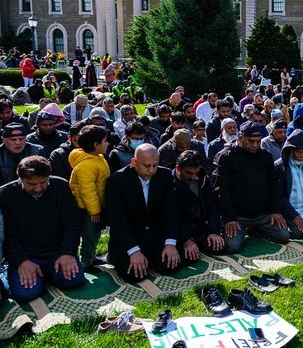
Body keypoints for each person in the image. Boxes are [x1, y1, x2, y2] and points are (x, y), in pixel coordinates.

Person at [0, 156, 85, 303]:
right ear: (20, 178)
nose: (38, 188)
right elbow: (7, 235)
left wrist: (68, 253)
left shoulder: (60, 186)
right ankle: (8, 273)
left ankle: (46, 273)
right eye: (31, 184)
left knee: (73, 280)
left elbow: (72, 223)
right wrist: (21, 261)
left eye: (43, 182)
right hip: (26, 255)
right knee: (25, 294)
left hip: (57, 252)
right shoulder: (6, 194)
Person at [105, 144, 184, 282]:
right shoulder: (117, 181)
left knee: (171, 265)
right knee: (134, 275)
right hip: (131, 237)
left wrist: (170, 243)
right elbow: (118, 221)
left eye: (155, 165)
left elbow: (172, 211)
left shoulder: (164, 175)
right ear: (134, 162)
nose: (152, 170)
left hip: (155, 234)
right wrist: (133, 251)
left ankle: (150, 257)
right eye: (147, 166)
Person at [213, 122, 292, 252]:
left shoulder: (265, 156)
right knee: (232, 246)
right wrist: (229, 218)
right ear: (240, 138)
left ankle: (256, 230)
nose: (255, 145)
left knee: (284, 236)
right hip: (238, 216)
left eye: (258, 141)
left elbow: (274, 185)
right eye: (251, 141)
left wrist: (275, 211)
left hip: (262, 214)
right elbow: (221, 190)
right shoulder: (226, 157)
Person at [68, 125, 110, 270]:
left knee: (96, 234)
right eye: (105, 141)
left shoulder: (98, 158)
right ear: (96, 145)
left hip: (97, 206)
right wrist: (94, 211)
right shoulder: (86, 165)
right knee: (89, 236)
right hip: (88, 210)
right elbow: (88, 191)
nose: (107, 144)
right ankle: (86, 262)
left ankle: (92, 257)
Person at [173, 150, 225, 257]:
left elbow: (212, 206)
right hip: (179, 229)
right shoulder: (169, 182)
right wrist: (186, 239)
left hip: (200, 226)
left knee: (219, 247)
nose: (193, 177)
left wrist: (213, 231)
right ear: (178, 168)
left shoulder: (203, 180)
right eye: (188, 173)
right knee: (187, 257)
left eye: (196, 173)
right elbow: (173, 216)